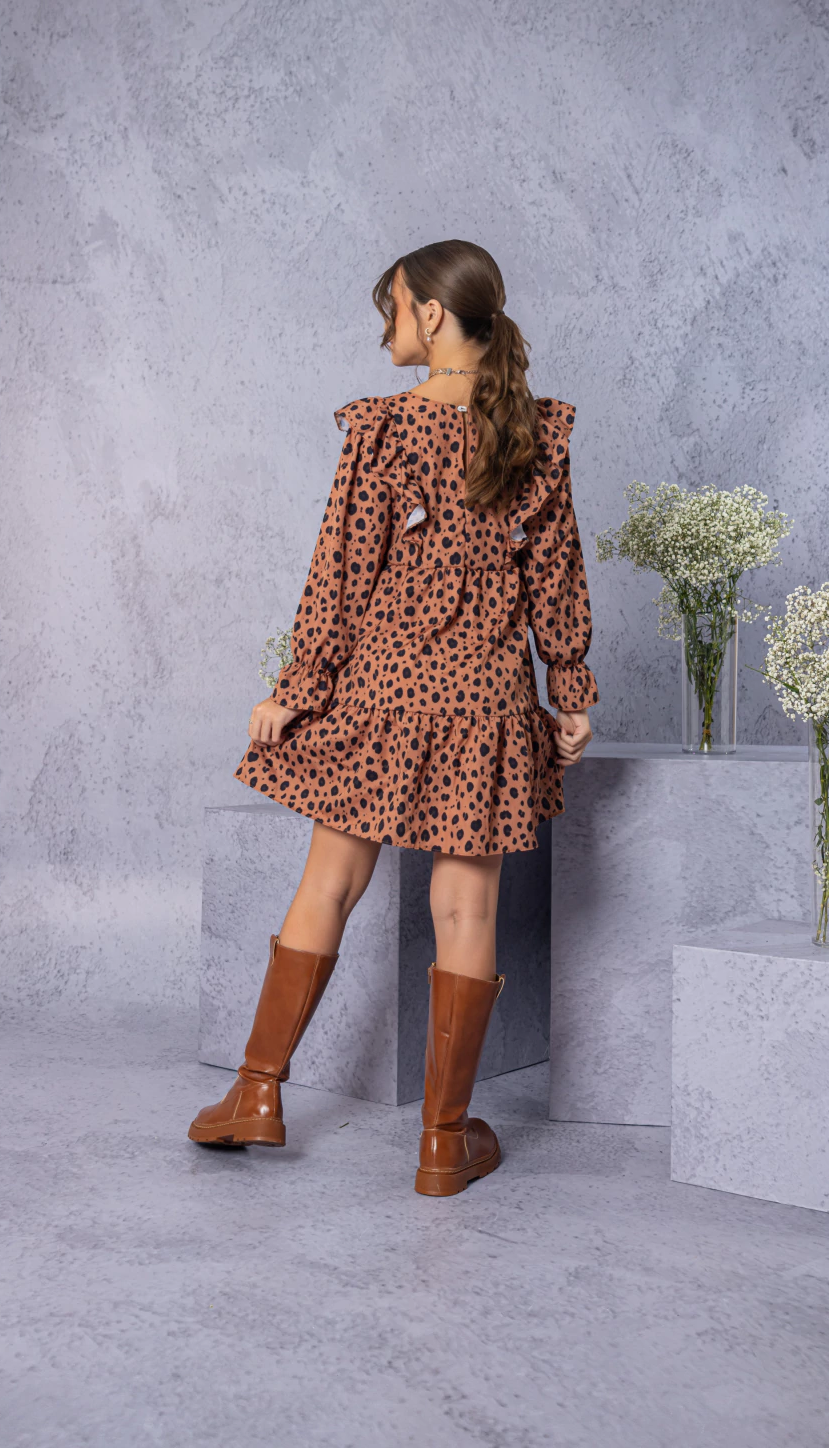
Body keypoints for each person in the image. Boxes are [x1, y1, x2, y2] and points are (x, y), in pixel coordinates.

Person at [189, 239, 597, 1196]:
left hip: (385, 690)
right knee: (467, 908)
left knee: (329, 884)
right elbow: (558, 573)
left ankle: (257, 1092)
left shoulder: (385, 430)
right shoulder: (535, 432)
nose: (386, 328)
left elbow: (339, 574)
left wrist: (296, 689)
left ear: (432, 315)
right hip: (487, 697)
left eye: (394, 308)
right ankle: (443, 1144)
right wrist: (570, 690)